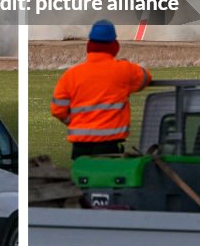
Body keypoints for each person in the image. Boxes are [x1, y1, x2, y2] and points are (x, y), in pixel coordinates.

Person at [51, 20, 151, 159]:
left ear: (89, 46)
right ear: (114, 46)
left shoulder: (71, 75)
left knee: (82, 173)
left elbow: (57, 110)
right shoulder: (124, 70)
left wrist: (76, 122)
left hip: (80, 147)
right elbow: (145, 77)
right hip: (110, 145)